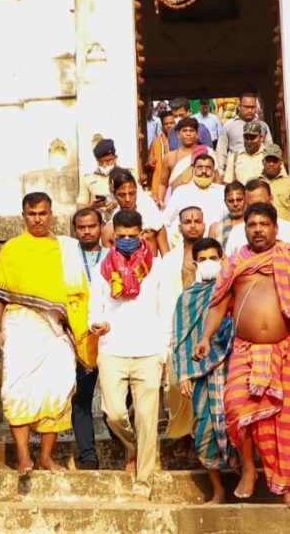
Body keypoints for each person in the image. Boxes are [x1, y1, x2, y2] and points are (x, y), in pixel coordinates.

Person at [193, 202, 290, 509]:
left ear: (275, 227)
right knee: (234, 406)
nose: (257, 228)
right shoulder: (234, 263)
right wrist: (205, 337)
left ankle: (285, 486)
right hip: (246, 348)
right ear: (245, 229)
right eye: (251, 224)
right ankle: (248, 469)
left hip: (287, 349)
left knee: (287, 419)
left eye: (263, 224)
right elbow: (218, 304)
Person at [0, 192, 87, 475]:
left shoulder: (65, 248)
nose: (37, 219)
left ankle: (46, 457)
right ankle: (22, 456)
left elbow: (78, 292)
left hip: (56, 329)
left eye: (42, 213)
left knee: (58, 386)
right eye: (32, 214)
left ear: (51, 213)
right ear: (23, 215)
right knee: (16, 389)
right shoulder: (12, 248)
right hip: (20, 324)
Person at [88, 208, 173, 501]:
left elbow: (166, 312)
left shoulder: (158, 268)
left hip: (149, 351)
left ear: (142, 234)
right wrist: (95, 323)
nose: (125, 241)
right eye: (120, 237)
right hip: (112, 348)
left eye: (131, 237)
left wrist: (163, 351)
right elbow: (94, 306)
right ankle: (134, 447)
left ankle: (143, 484)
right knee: (113, 414)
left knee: (148, 419)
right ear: (113, 235)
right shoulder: (102, 267)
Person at [173, 238, 233, 503]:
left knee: (236, 424)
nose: (209, 263)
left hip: (232, 367)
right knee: (204, 430)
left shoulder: (232, 289)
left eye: (213, 258)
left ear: (222, 259)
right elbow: (181, 335)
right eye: (203, 259)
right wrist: (184, 372)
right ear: (196, 263)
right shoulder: (187, 297)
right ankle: (218, 490)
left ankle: (245, 477)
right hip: (200, 372)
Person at [162, 206, 207, 458]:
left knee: (203, 385)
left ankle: (201, 434)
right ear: (179, 227)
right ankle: (182, 436)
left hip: (205, 329)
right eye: (187, 221)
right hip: (176, 328)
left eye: (197, 221)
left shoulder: (212, 257)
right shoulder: (170, 260)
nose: (192, 225)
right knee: (176, 386)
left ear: (203, 224)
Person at [69, 206, 110, 470]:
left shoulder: (113, 257)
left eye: (91, 226)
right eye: (81, 227)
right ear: (75, 230)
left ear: (101, 227)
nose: (86, 231)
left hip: (109, 337)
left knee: (116, 399)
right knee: (81, 399)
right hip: (78, 337)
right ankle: (88, 456)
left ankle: (129, 448)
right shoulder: (67, 258)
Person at [103, 169, 169, 257]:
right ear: (114, 195)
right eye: (122, 195)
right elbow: (108, 263)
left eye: (132, 193)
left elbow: (167, 258)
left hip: (152, 269)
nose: (127, 199)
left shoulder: (154, 221)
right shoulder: (109, 230)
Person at [224, 178, 290, 256]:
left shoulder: (289, 230)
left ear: (271, 200)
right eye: (252, 206)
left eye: (261, 204)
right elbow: (228, 264)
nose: (258, 209)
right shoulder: (236, 233)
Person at [157, 118, 215, 206]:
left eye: (191, 131)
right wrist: (160, 200)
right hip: (177, 205)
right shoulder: (169, 157)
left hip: (203, 203)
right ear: (178, 134)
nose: (188, 134)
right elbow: (162, 183)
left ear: (197, 134)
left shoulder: (207, 153)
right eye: (184, 131)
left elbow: (216, 181)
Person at [163, 153, 226, 233]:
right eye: (200, 167)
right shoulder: (181, 192)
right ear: (193, 169)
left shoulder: (222, 192)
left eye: (208, 168)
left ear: (213, 171)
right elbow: (165, 221)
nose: (204, 171)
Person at [216, 92, 272, 173]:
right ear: (239, 106)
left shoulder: (263, 126)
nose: (250, 110)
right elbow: (221, 152)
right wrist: (220, 172)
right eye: (246, 107)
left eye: (253, 107)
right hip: (237, 170)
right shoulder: (228, 126)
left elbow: (270, 149)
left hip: (259, 171)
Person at [76, 137, 118, 220]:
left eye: (108, 161)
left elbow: (139, 199)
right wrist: (91, 206)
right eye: (101, 162)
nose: (105, 165)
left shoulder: (126, 175)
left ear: (115, 158)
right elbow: (79, 208)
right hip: (98, 224)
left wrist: (117, 203)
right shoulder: (88, 178)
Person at [260, 144, 290, 221]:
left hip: (286, 229)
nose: (271, 164)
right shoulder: (255, 183)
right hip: (262, 228)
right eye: (268, 160)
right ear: (263, 162)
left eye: (275, 161)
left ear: (281, 162)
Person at [224, 120, 267, 185]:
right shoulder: (235, 157)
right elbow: (228, 183)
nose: (249, 141)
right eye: (246, 138)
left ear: (261, 138)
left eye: (253, 138)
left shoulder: (268, 155)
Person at [144, 109, 175, 197]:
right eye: (166, 124)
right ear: (162, 126)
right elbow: (148, 164)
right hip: (159, 185)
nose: (169, 126)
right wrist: (149, 163)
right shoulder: (156, 142)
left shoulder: (181, 141)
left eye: (171, 123)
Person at [209, 180, 246, 247]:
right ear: (225, 202)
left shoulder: (254, 224)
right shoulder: (215, 228)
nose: (235, 204)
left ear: (246, 199)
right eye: (231, 201)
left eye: (239, 200)